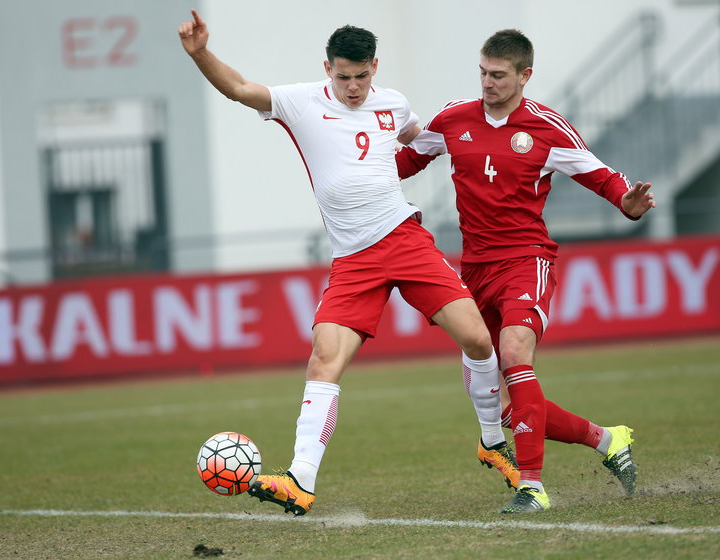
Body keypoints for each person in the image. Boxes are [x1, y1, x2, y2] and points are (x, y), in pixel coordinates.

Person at [177, 11, 519, 516]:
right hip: (354, 258)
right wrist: (201, 53)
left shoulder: (393, 104)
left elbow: (421, 140)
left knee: (476, 338)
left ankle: (492, 441)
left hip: (404, 238)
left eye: (362, 76)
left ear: (374, 67)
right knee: (324, 358)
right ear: (327, 69)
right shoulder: (300, 101)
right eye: (344, 77)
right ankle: (300, 479)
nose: (354, 87)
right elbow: (240, 89)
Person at [396, 29, 656, 513]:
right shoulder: (454, 119)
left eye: (498, 75)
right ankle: (607, 440)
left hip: (525, 260)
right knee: (512, 406)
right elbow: (405, 162)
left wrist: (628, 202)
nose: (487, 83)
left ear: (524, 76)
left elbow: (601, 175)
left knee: (516, 353)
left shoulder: (547, 127)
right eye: (483, 72)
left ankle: (532, 488)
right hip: (471, 268)